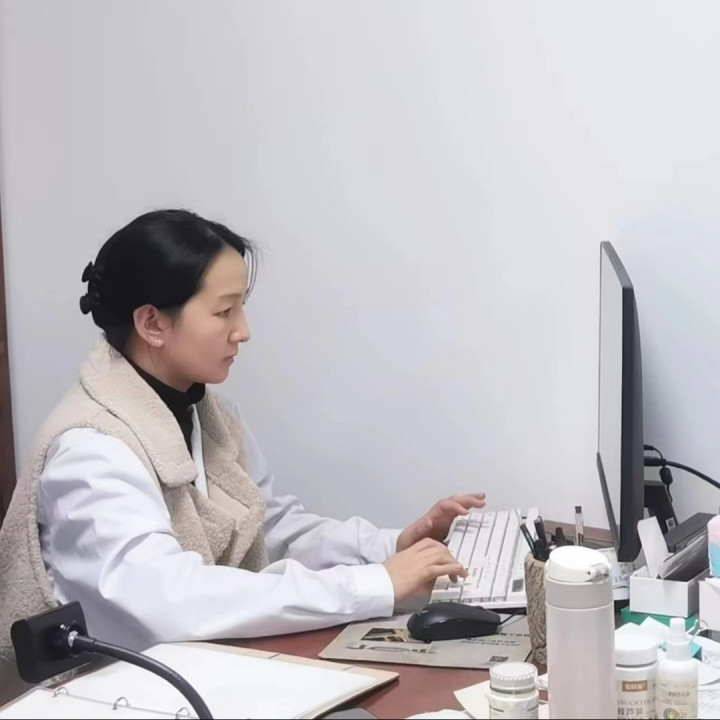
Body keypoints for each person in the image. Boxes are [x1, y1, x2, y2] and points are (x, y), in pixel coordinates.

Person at [0, 209, 484, 694]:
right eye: (224, 311)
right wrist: (373, 585)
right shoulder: (90, 452)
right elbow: (169, 602)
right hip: (113, 697)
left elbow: (269, 529)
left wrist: (393, 548)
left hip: (203, 677)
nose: (243, 330)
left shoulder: (208, 415)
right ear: (152, 323)